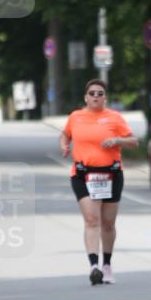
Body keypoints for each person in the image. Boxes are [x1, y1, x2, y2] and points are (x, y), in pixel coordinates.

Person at [60, 79, 138, 285]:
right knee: (92, 219)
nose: (96, 96)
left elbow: (133, 141)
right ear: (86, 97)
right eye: (92, 93)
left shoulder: (114, 118)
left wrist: (118, 140)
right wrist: (65, 146)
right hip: (83, 174)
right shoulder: (75, 117)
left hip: (111, 174)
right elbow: (65, 135)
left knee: (108, 222)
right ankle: (94, 266)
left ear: (105, 97)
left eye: (100, 93)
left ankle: (107, 264)